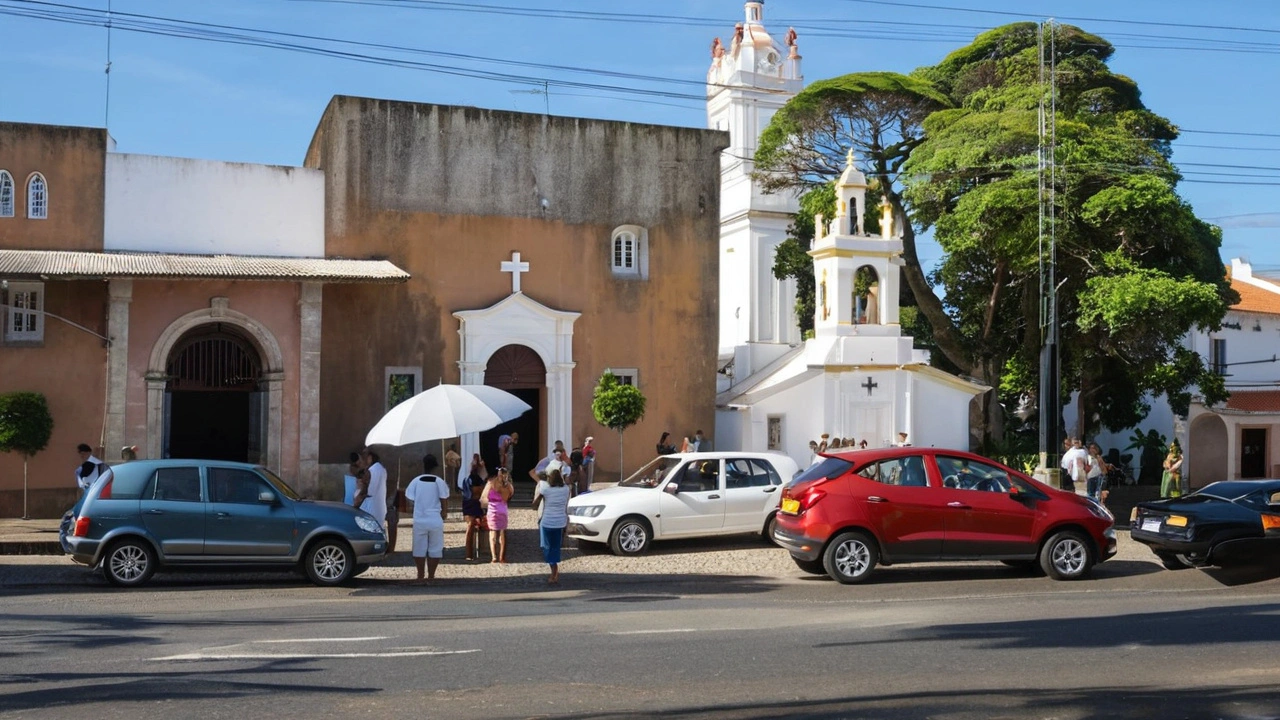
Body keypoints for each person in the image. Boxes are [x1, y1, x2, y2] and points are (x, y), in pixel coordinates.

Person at [404, 454, 450, 582]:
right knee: (435, 548)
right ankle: (431, 575)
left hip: (420, 518)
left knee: (419, 548)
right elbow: (444, 498)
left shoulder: (416, 481)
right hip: (435, 519)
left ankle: (420, 574)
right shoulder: (439, 481)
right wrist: (444, 513)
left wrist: (417, 505)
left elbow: (409, 497)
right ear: (436, 466)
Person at [533, 467, 572, 585]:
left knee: (546, 547)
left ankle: (554, 571)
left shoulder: (546, 490)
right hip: (560, 522)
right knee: (555, 547)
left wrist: (540, 494)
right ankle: (554, 571)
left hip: (547, 522)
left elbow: (534, 505)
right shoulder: (566, 489)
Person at [482, 467, 514, 563]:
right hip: (502, 509)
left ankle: (494, 557)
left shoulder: (491, 484)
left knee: (492, 533)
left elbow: (484, 498)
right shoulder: (508, 486)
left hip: (492, 510)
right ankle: (502, 557)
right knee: (502, 533)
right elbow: (510, 495)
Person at [359, 448, 390, 544]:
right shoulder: (382, 469)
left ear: (370, 457)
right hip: (380, 506)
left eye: (364, 458)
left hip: (371, 507)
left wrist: (358, 500)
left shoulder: (372, 470)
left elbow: (368, 491)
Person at [461, 456, 489, 561]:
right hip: (472, 502)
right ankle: (469, 553)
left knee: (478, 525)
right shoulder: (469, 480)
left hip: (475, 502)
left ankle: (480, 551)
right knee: (471, 525)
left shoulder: (477, 478)